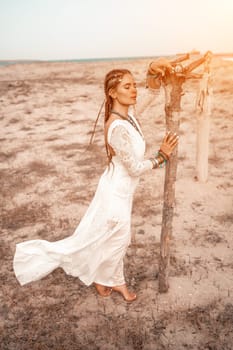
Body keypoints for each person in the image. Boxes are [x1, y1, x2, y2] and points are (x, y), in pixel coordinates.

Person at [13, 68, 178, 302]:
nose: (134, 91)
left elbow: (151, 94)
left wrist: (153, 73)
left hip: (121, 188)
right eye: (127, 87)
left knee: (115, 238)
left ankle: (108, 279)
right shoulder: (117, 127)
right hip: (115, 191)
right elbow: (134, 167)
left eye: (134, 85)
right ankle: (109, 280)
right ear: (112, 93)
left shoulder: (128, 117)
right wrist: (161, 156)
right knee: (119, 238)